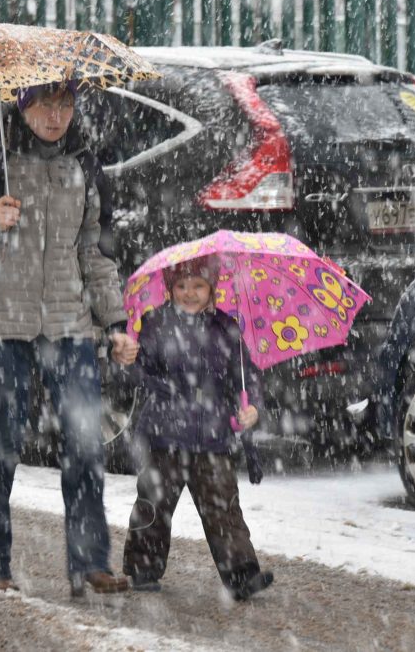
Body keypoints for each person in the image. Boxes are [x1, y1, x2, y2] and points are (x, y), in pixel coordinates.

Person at [0, 82, 139, 597]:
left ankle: (90, 562)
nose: (56, 115)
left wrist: (115, 323)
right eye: (45, 104)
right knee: (4, 441)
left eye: (65, 104)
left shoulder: (85, 165)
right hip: (0, 326)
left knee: (85, 441)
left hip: (69, 323)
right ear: (22, 107)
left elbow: (96, 252)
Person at [123, 255, 274, 601]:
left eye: (198, 286)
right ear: (170, 288)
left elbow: (246, 376)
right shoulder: (156, 322)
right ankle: (144, 565)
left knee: (223, 507)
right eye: (181, 286)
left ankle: (240, 574)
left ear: (212, 288)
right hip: (164, 431)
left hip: (212, 433)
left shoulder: (227, 328)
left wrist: (251, 406)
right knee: (154, 503)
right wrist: (136, 367)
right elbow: (138, 371)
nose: (189, 293)